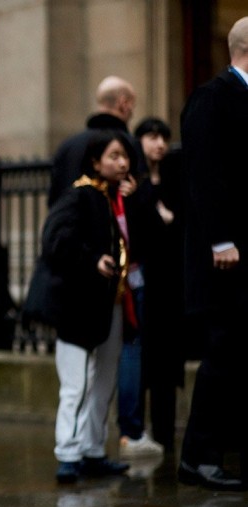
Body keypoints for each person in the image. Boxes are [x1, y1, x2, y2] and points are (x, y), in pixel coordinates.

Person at [33, 130, 136, 484]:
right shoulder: (80, 195)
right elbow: (55, 240)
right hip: (77, 307)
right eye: (113, 156)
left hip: (109, 305)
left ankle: (92, 450)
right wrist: (92, 259)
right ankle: (68, 453)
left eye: (124, 156)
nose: (122, 162)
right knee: (76, 383)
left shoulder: (115, 200)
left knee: (104, 381)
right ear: (95, 162)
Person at [177, 17, 248, 491]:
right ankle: (198, 457)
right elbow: (204, 176)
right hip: (227, 257)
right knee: (223, 352)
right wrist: (221, 239)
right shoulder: (212, 96)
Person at [118, 117, 182, 456]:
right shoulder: (134, 184)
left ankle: (166, 436)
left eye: (164, 137)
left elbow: (180, 224)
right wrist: (158, 211)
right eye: (152, 136)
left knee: (166, 364)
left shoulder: (174, 178)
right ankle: (136, 432)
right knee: (140, 356)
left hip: (169, 283)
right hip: (144, 283)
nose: (160, 144)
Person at [48, 76, 138, 207]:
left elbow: (54, 198)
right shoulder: (130, 144)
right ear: (123, 103)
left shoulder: (67, 146)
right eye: (132, 106)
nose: (122, 163)